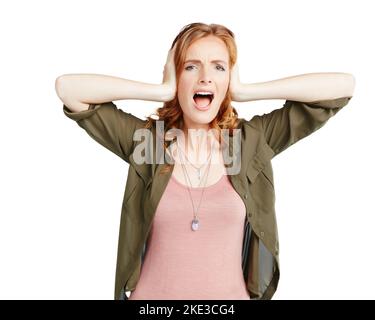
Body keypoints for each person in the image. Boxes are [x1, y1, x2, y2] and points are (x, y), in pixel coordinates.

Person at [55, 22, 355, 300]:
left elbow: (343, 87)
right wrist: (159, 90)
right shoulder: (148, 142)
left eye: (219, 67)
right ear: (176, 77)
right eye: (191, 66)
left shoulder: (248, 142)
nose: (205, 77)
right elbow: (68, 89)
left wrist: (246, 91)